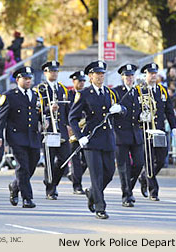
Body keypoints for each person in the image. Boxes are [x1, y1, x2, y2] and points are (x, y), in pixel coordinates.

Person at [69, 60, 126, 219]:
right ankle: (100, 208)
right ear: (90, 77)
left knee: (109, 172)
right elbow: (72, 118)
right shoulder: (84, 94)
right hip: (91, 140)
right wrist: (79, 137)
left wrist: (121, 109)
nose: (100, 77)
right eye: (97, 74)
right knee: (97, 175)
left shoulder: (109, 93)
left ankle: (93, 193)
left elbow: (123, 109)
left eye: (102, 74)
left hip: (107, 139)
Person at [0, 66, 42, 208]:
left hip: (33, 136)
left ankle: (15, 186)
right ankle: (27, 198)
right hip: (16, 137)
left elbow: (35, 115)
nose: (28, 81)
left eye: (30, 78)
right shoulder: (9, 96)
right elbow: (1, 118)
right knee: (22, 167)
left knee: (32, 165)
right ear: (17, 79)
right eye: (25, 78)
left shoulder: (35, 95)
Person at [138, 63, 176, 201]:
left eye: (155, 73)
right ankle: (153, 190)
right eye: (150, 73)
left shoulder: (162, 90)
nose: (153, 75)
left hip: (159, 130)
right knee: (149, 161)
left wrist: (174, 127)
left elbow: (169, 110)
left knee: (161, 159)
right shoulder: (140, 90)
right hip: (146, 130)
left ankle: (144, 177)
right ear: (145, 75)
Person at [37, 61, 71, 200]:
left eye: (56, 71)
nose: (54, 73)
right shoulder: (40, 89)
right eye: (51, 71)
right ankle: (50, 189)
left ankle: (52, 182)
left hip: (61, 129)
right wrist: (48, 109)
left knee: (64, 159)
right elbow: (36, 111)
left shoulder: (62, 89)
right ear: (45, 73)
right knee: (49, 161)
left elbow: (67, 110)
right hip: (48, 129)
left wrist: (69, 125)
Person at [112, 64, 144, 207]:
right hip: (120, 133)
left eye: (131, 76)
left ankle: (128, 188)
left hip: (135, 133)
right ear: (122, 77)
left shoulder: (139, 92)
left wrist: (143, 116)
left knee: (138, 163)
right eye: (126, 76)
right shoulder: (117, 92)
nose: (129, 78)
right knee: (124, 167)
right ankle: (127, 196)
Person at [67, 70, 87, 194]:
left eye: (83, 81)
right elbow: (66, 113)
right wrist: (68, 127)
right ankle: (77, 186)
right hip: (73, 129)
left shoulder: (86, 94)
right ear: (74, 81)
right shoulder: (69, 95)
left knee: (85, 160)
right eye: (80, 81)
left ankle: (74, 175)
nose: (82, 83)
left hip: (85, 129)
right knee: (75, 159)